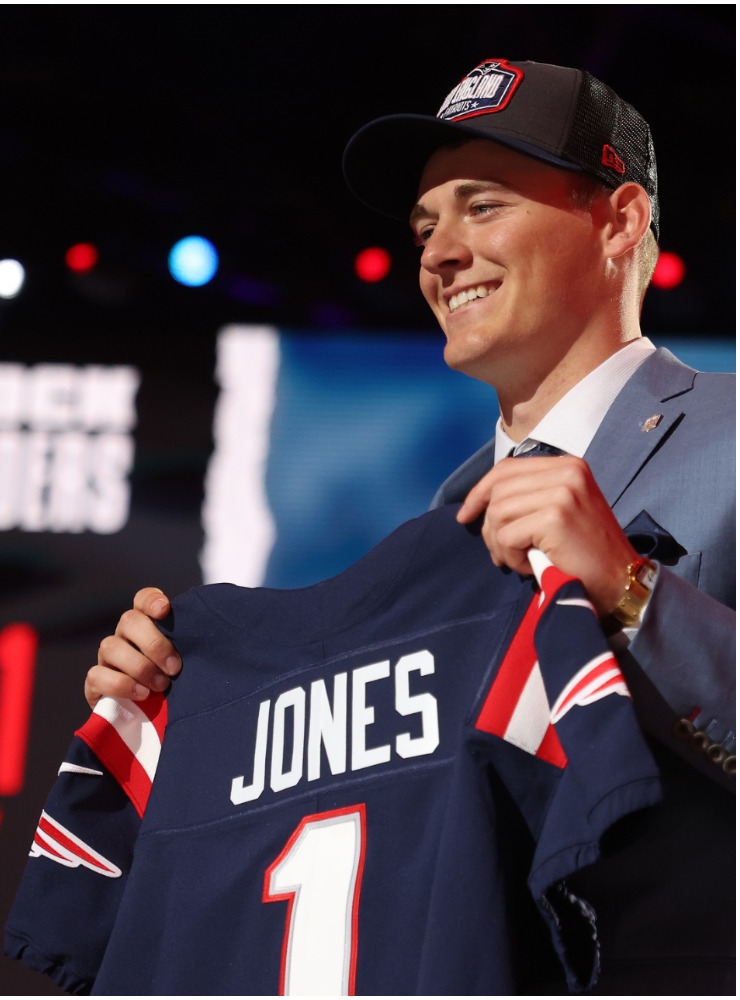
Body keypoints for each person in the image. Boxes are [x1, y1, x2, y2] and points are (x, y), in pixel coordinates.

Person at [85, 58, 734, 991]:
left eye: (484, 206)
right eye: (426, 225)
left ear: (621, 220)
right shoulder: (442, 521)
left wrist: (633, 594)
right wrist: (179, 708)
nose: (437, 253)